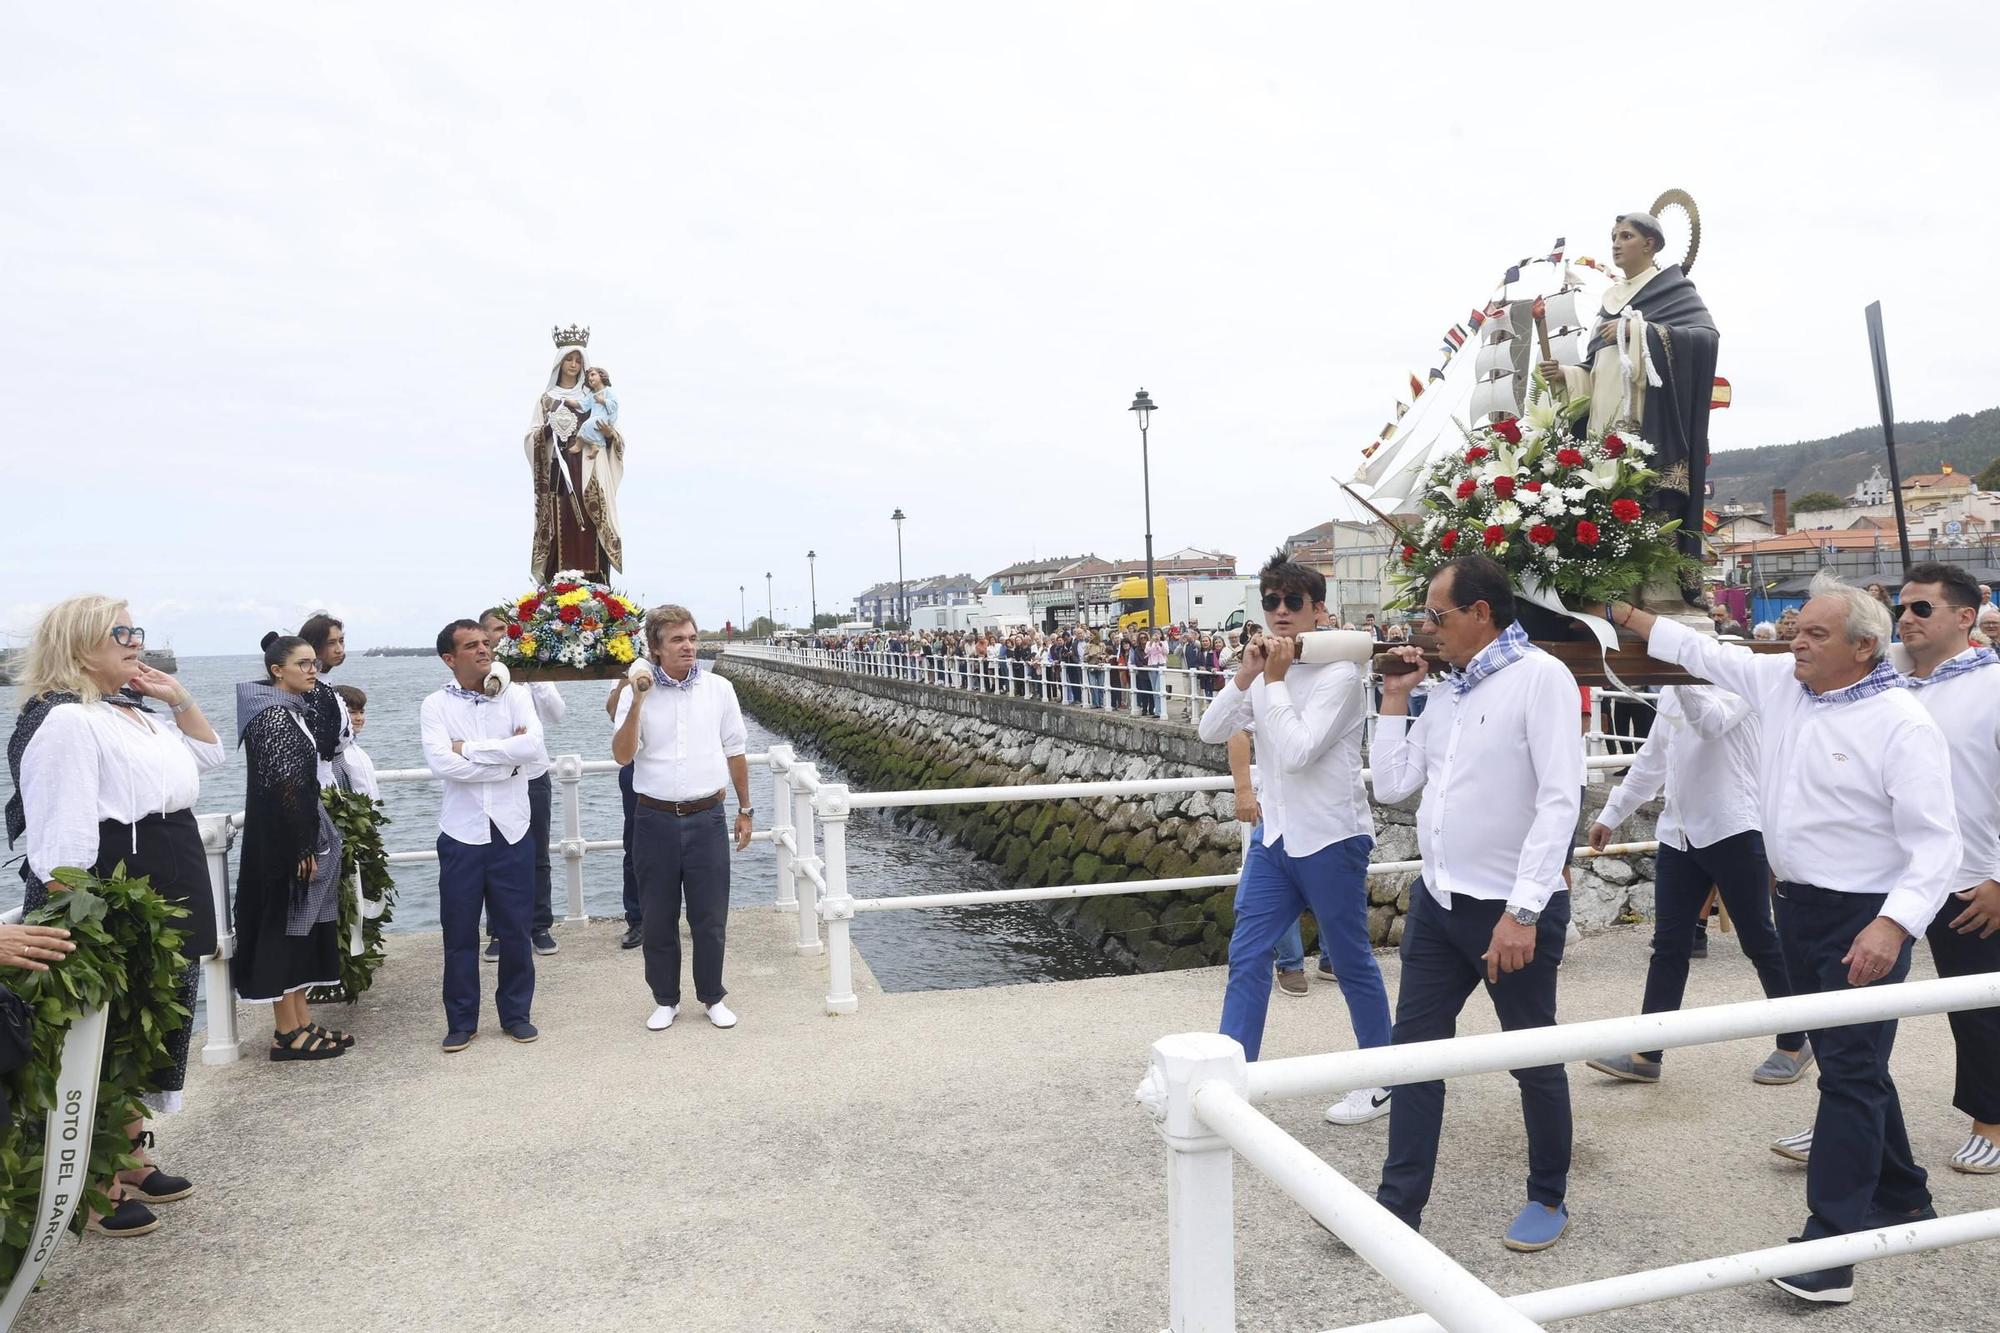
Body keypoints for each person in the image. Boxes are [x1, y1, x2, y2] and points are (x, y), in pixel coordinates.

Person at [1602, 572, 1959, 1306]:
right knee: (1852, 1060)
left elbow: (1936, 844)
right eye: (1796, 628)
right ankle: (1905, 1195)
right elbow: (1703, 653)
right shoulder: (1783, 685)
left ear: (1863, 647)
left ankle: (1830, 1251)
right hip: (1797, 907)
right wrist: (1624, 612)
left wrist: (1893, 925)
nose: (1796, 642)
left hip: (1865, 917)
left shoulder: (1902, 723)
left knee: (1848, 1076)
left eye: (1815, 634)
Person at [1371, 555, 1584, 1252]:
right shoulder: (1448, 692)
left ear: (1481, 613)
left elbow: (1560, 799)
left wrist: (1523, 912)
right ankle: (1397, 1205)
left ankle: (1548, 1193)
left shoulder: (1541, 678)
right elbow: (1394, 785)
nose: (1427, 627)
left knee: (1532, 1054)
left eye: (1437, 614)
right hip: (1439, 902)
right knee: (1413, 1057)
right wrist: (1395, 698)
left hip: (1508, 910)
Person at [8, 594, 223, 1236]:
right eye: (119, 634)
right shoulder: (66, 720)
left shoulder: (129, 710)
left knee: (143, 1027)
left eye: (136, 632)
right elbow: (60, 838)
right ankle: (93, 1181)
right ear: (79, 645)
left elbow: (207, 758)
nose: (136, 642)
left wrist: (177, 698)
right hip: (114, 884)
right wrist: (79, 919)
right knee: (101, 1031)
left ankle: (128, 1154)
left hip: (170, 867)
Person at [1196, 550, 1390, 1123]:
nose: (1281, 611)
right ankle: (1232, 1080)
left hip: (1331, 836)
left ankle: (1384, 1078)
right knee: (1246, 955)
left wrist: (1274, 682)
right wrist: (1246, 677)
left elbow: (1301, 749)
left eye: (1293, 602)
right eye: (1272, 602)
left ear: (1318, 610)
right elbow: (1211, 729)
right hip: (1275, 836)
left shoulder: (1341, 674)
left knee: (1350, 960)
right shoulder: (1263, 672)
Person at [1585, 686, 1810, 1084]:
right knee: (1668, 947)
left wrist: (1680, 675)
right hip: (1679, 835)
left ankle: (1795, 1041)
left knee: (1759, 941)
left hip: (1736, 830)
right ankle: (1647, 1052)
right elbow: (1652, 760)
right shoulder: (1674, 690)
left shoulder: (1739, 682)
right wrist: (1612, 814)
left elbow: (1711, 723)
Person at [1874, 563, 2000, 1175]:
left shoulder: (1994, 686)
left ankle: (1991, 1121)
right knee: (1854, 1004)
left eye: (1921, 608)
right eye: (1901, 607)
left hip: (1972, 877)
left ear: (1965, 616)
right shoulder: (1886, 685)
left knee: (1978, 1009)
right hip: (1886, 874)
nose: (1906, 618)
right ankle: (1851, 1116)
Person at [1535, 210, 1719, 593]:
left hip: (1646, 425)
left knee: (1647, 507)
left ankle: (1657, 593)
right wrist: (1568, 375)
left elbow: (1704, 339)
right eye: (1614, 237)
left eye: (1626, 236)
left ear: (1650, 244)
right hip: (1604, 428)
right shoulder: (1611, 301)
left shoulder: (1674, 290)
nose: (1616, 244)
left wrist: (1638, 329)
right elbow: (1598, 368)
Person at [612, 605, 753, 1032]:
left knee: (710, 917)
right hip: (653, 819)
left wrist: (745, 809)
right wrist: (637, 701)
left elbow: (735, 750)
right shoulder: (635, 691)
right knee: (657, 917)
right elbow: (622, 755)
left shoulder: (719, 689)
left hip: (707, 817)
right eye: (677, 639)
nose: (688, 646)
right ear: (655, 648)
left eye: (691, 637)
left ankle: (712, 996)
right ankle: (665, 1000)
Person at [420, 620, 548, 1052]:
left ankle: (516, 1014)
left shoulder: (516, 695)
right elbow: (442, 765)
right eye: (471, 645)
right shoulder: (435, 705)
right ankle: (461, 1022)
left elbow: (532, 748)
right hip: (461, 833)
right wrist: (505, 762)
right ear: (449, 658)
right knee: (459, 932)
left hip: (512, 830)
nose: (484, 649)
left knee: (515, 929)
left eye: (485, 642)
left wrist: (469, 750)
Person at [233, 634, 346, 1055]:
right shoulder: (274, 717)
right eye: (303, 664)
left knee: (301, 927)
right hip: (281, 843)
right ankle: (286, 1031)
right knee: (283, 928)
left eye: (314, 663)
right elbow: (285, 785)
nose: (312, 670)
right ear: (277, 670)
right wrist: (302, 846)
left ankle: (301, 1020)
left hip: (293, 834)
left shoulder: (291, 710)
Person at [481, 608, 566, 959]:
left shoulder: (532, 671)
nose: (504, 634)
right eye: (497, 629)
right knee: (496, 856)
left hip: (534, 775)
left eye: (509, 628)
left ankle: (539, 925)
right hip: (497, 778)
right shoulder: (481, 677)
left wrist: (534, 676)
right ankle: (499, 931)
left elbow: (557, 714)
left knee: (538, 854)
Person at [525, 330, 625, 581]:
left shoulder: (592, 397)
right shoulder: (547, 400)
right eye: (569, 359)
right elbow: (531, 438)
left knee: (590, 519)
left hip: (589, 468)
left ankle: (597, 585)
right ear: (559, 363)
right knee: (562, 521)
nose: (573, 365)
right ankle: (557, 584)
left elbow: (614, 433)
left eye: (578, 360)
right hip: (559, 470)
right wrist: (548, 431)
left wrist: (610, 434)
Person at [329, 685, 380, 799]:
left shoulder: (356, 750)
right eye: (352, 712)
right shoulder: (334, 753)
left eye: (361, 712)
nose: (359, 718)